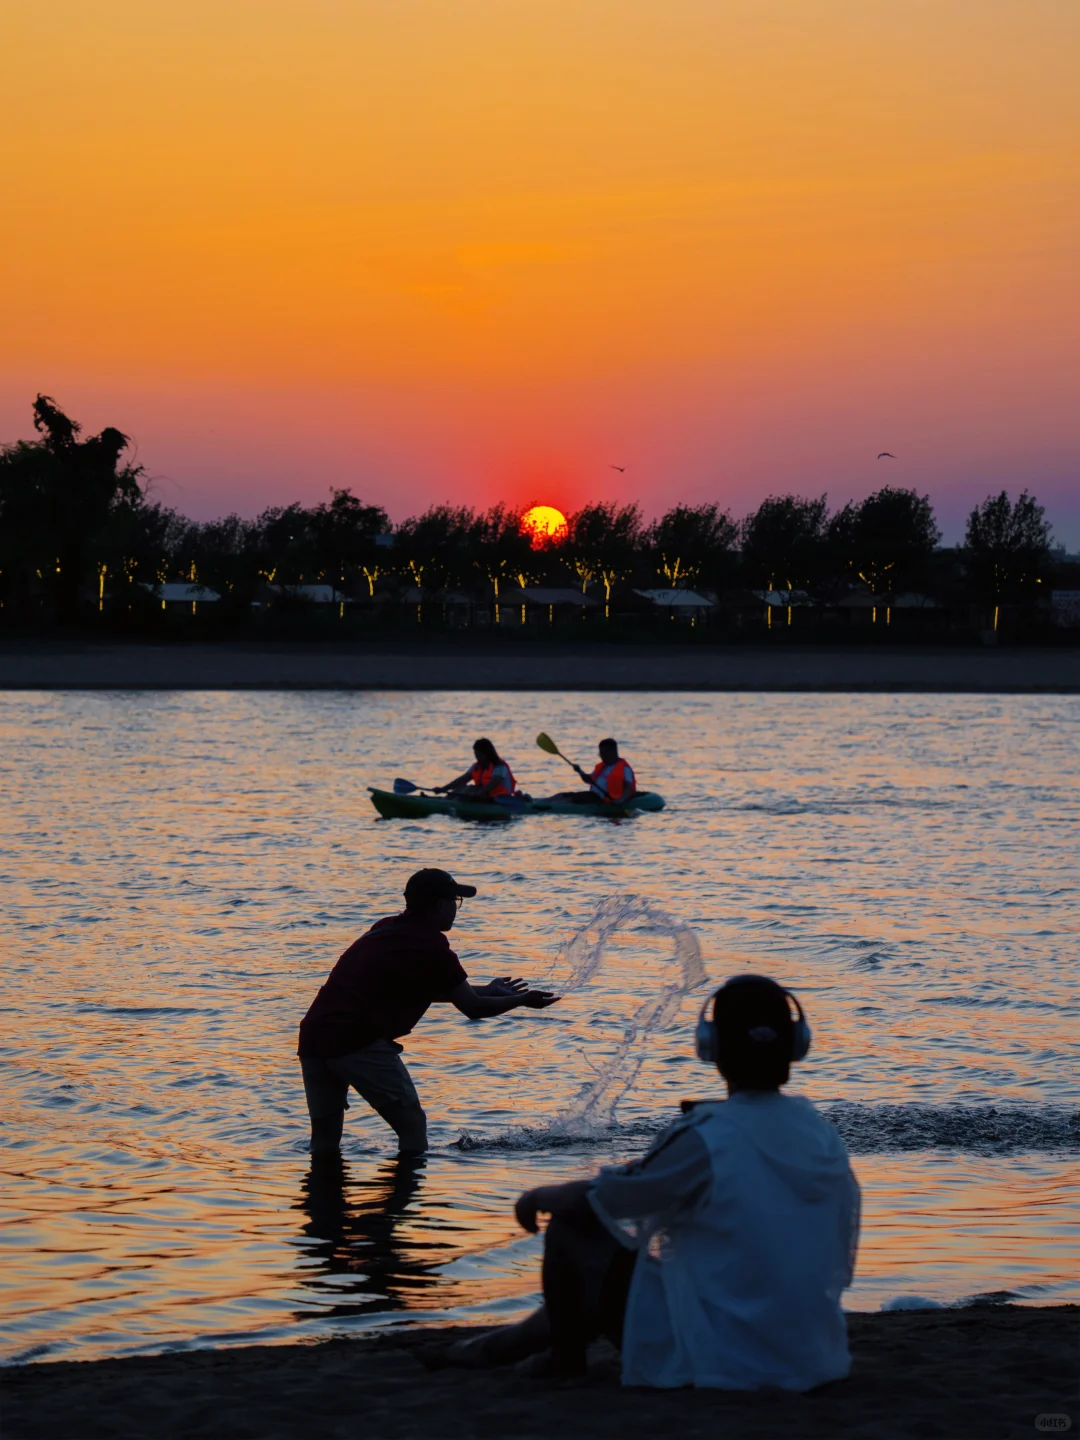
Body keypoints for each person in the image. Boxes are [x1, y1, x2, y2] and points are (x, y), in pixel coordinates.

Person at [431, 974, 860, 1389]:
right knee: (632, 1265)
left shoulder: (707, 1135)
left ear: (709, 1047)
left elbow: (604, 1201)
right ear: (797, 1045)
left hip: (727, 1360)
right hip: (814, 1356)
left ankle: (561, 1357)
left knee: (572, 1224)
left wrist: (538, 1195)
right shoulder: (820, 1131)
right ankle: (500, 1346)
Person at [298, 868, 559, 1156]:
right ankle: (404, 1196)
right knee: (412, 1126)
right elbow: (472, 1008)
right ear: (438, 904)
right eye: (455, 901)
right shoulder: (431, 944)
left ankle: (321, 1197)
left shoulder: (386, 928)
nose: (456, 909)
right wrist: (522, 1001)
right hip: (356, 1041)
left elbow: (415, 990)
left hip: (314, 1038)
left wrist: (488, 989)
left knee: (324, 1139)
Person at [434, 738, 518, 801]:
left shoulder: (499, 766)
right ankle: (446, 800)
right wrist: (443, 789)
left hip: (499, 798)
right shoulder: (476, 766)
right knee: (462, 788)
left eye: (479, 754)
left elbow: (494, 783)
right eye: (475, 754)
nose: (476, 757)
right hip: (483, 795)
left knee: (469, 789)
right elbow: (462, 779)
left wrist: (479, 793)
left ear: (486, 754)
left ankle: (451, 802)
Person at [559, 737, 636, 805]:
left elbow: (629, 788)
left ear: (612, 752)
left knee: (576, 798)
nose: (601, 756)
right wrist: (580, 771)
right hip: (592, 796)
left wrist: (621, 800)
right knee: (564, 795)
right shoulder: (602, 766)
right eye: (600, 753)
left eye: (603, 753)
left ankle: (556, 806)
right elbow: (589, 780)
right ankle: (547, 802)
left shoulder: (625, 768)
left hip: (603, 799)